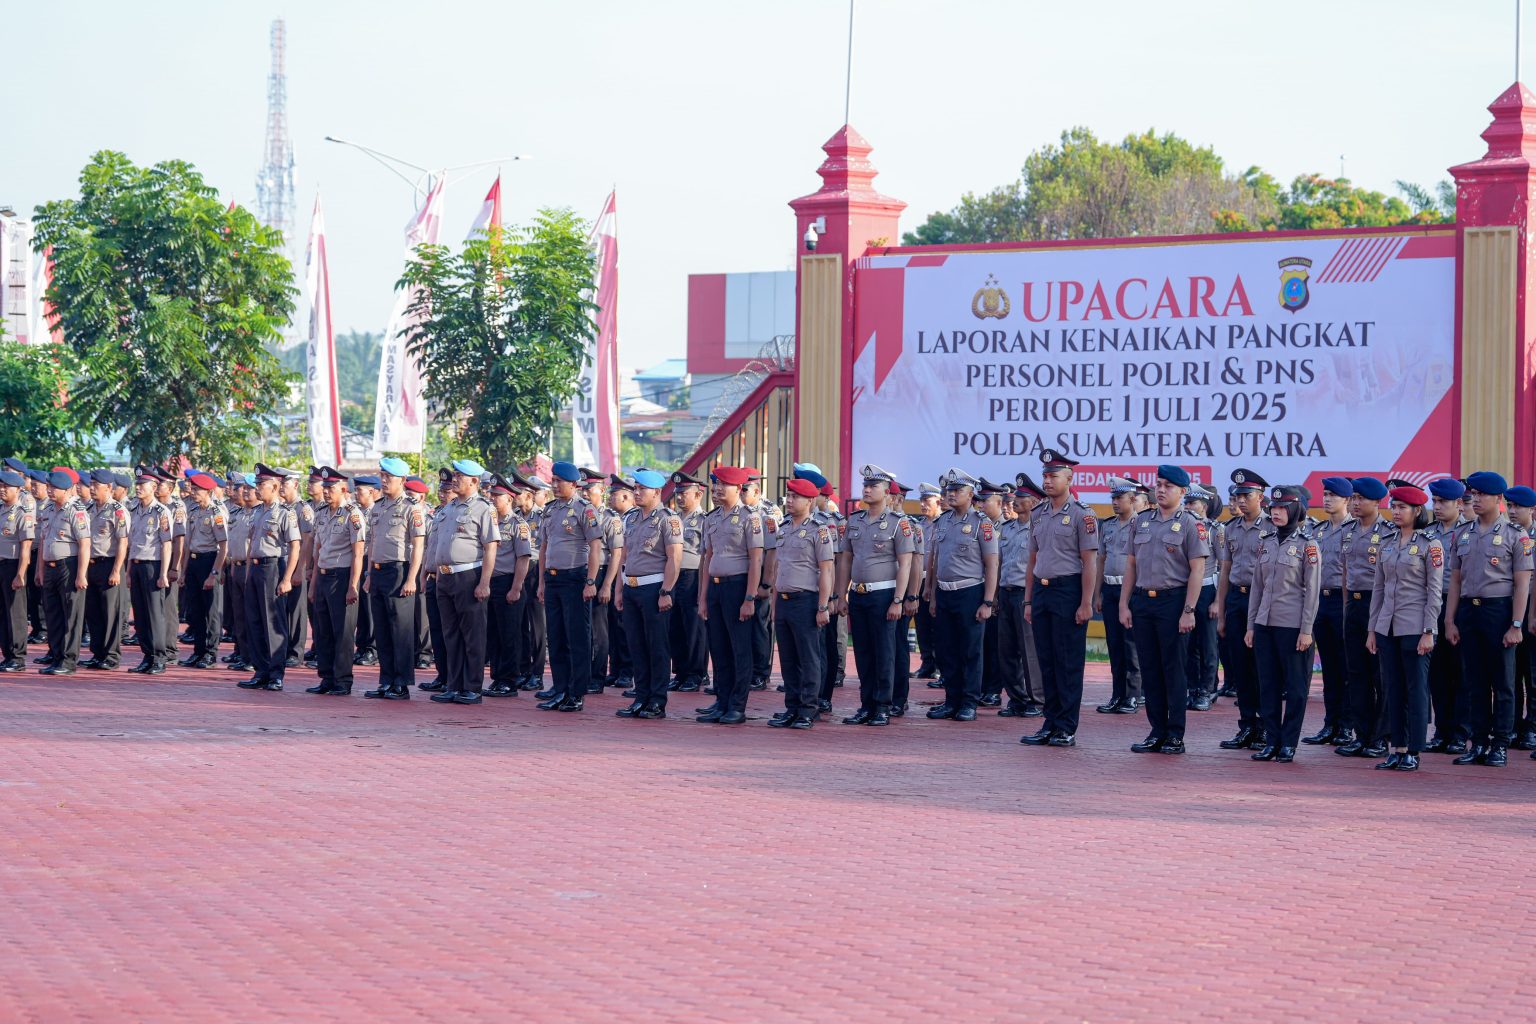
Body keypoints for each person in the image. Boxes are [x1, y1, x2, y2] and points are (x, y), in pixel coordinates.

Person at [1445, 470, 1533, 767]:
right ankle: (1478, 742)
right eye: (1473, 494)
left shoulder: (1515, 536)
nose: (1475, 499)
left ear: (1499, 499)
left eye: (1482, 494)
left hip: (1499, 612)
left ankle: (1500, 745)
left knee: (1504, 683)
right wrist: (1450, 620)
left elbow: (1522, 583)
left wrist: (1517, 624)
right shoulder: (1464, 533)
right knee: (1475, 681)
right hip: (1470, 611)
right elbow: (1455, 580)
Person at [1120, 465, 1210, 755]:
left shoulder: (1190, 524)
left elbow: (1198, 570)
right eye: (1158, 484)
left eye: (1168, 486)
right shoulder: (1142, 521)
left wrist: (1189, 610)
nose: (1160, 490)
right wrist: (1125, 603)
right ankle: (1156, 731)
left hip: (1174, 602)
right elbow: (1131, 565)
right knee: (1150, 669)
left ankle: (1175, 735)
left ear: (1183, 492)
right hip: (1144, 601)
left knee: (1174, 670)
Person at [1021, 450, 1097, 746]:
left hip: (1068, 591)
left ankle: (1066, 726)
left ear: (1069, 478)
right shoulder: (1038, 514)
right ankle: (1049, 722)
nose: (1047, 481)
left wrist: (1086, 602)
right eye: (1045, 475)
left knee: (1067, 662)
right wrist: (1028, 600)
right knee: (1046, 660)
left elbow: (1089, 561)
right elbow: (1032, 559)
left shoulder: (1082, 514)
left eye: (1053, 476)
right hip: (1041, 591)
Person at [1365, 484, 1443, 772]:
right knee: (1392, 688)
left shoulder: (1430, 545)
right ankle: (1396, 747)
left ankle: (1414, 749)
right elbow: (1379, 590)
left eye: (1402, 508)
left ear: (1417, 511)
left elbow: (1434, 592)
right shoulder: (1387, 542)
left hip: (1415, 626)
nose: (1396, 512)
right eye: (1394, 507)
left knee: (1416, 688)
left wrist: (1429, 631)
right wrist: (1373, 629)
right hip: (1387, 626)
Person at [1244, 485, 1322, 762]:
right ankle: (1271, 740)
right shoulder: (1266, 541)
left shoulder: (1307, 545)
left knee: (1297, 688)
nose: (1275, 513)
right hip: (1265, 623)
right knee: (1268, 685)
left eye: (1281, 509)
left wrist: (1306, 630)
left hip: (1292, 626)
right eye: (1273, 509)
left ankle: (1289, 743)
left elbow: (1311, 591)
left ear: (1293, 510)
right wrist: (1252, 625)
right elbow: (1257, 587)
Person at [835, 464, 915, 726]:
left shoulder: (898, 524)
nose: (867, 490)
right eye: (865, 486)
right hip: (858, 594)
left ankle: (883, 705)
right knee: (863, 652)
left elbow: (905, 564)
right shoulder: (854, 521)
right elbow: (846, 560)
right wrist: (840, 595)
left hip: (884, 595)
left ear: (888, 493)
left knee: (884, 652)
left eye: (874, 486)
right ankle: (866, 704)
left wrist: (898, 600)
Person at [925, 469, 999, 723]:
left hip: (970, 593)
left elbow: (992, 564)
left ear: (970, 494)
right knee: (946, 650)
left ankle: (969, 702)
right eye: (949, 490)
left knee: (970, 651)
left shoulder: (982, 523)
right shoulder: (942, 521)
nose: (951, 494)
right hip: (944, 593)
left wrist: (988, 601)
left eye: (957, 490)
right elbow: (935, 561)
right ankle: (951, 700)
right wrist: (932, 595)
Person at [426, 461, 499, 706]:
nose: (455, 479)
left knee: (473, 635)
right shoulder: (448, 509)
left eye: (460, 476)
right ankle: (453, 685)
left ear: (474, 481)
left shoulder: (482, 508)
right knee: (451, 635)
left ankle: (472, 687)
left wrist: (484, 582)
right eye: (455, 475)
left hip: (469, 576)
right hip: (444, 577)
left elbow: (490, 547)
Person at [696, 466, 764, 725]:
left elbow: (757, 560)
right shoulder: (711, 518)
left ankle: (737, 705)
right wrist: (702, 598)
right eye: (715, 485)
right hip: (715, 587)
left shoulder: (750, 518)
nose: (717, 490)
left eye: (723, 485)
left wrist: (750, 597)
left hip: (738, 587)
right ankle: (722, 700)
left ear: (738, 489)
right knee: (719, 647)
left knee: (739, 649)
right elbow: (707, 558)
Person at [766, 476, 835, 729]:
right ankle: (792, 707)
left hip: (806, 599)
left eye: (795, 497)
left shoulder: (820, 530)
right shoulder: (783, 528)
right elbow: (777, 570)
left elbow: (826, 570)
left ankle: (808, 709)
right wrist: (774, 604)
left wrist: (823, 606)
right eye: (789, 496)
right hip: (783, 600)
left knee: (808, 658)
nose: (790, 500)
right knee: (788, 658)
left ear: (810, 501)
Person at [614, 469, 682, 719]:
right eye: (635, 488)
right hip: (631, 586)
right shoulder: (631, 518)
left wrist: (666, 591)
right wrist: (619, 588)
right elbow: (625, 555)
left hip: (654, 588)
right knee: (636, 645)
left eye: (641, 488)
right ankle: (641, 696)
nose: (636, 492)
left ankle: (657, 700)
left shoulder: (668, 519)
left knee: (657, 646)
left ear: (656, 492)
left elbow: (674, 557)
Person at [1336, 477, 1396, 759]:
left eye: (1362, 499)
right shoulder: (1348, 530)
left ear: (1377, 502)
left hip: (1380, 605)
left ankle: (1380, 737)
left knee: (1380, 674)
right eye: (1354, 498)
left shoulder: (1389, 531)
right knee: (1356, 673)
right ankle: (1361, 735)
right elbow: (1346, 572)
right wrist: (1348, 606)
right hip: (1355, 606)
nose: (1356, 503)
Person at [537, 461, 603, 712]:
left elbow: (595, 546)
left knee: (576, 637)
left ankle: (576, 693)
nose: (554, 486)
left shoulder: (584, 509)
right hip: (553, 579)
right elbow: (544, 546)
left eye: (559, 482)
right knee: (556, 638)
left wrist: (590, 581)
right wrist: (542, 581)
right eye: (553, 481)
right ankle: (560, 688)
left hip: (575, 578)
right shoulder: (550, 509)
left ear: (573, 484)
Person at [1214, 468, 1269, 749]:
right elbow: (1226, 571)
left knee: (1263, 667)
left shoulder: (1271, 527)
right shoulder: (1230, 528)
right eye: (1238, 496)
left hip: (1262, 602)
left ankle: (1266, 727)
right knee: (1241, 667)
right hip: (1237, 599)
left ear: (1261, 497)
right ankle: (1247, 725)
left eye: (1247, 495)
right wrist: (1222, 613)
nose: (1241, 501)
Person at [1302, 477, 1357, 746]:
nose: (1326, 500)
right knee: (1329, 669)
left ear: (1347, 500)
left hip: (1344, 600)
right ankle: (1330, 723)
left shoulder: (1355, 529)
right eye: (1324, 494)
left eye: (1333, 495)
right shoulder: (1318, 531)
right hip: (1320, 601)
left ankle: (1346, 725)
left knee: (1347, 666)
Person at [238, 465, 301, 692]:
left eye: (261, 484)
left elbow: (295, 546)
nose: (256, 488)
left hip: (273, 567)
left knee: (273, 624)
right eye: (256, 484)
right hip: (255, 569)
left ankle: (276, 674)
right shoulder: (257, 511)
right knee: (254, 622)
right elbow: (251, 544)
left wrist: (286, 578)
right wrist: (247, 573)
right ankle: (261, 671)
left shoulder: (285, 513)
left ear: (274, 486)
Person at [305, 468, 367, 696]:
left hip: (342, 576)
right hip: (322, 574)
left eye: (331, 488)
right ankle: (326, 677)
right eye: (325, 488)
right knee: (322, 630)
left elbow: (358, 553)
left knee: (342, 632)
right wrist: (312, 583)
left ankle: (342, 681)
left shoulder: (353, 514)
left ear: (344, 489)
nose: (327, 492)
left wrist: (353, 585)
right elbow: (317, 549)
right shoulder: (321, 513)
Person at [1423, 477, 1467, 753]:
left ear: (1460, 504)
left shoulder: (1470, 531)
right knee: (1437, 672)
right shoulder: (1428, 533)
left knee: (1461, 671)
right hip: (1433, 605)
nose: (1437, 506)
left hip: (1461, 606)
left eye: (1443, 502)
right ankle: (1442, 730)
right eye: (1435, 501)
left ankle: (1461, 732)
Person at [1095, 477, 1142, 715]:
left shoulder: (1142, 524)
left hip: (1131, 590)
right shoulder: (1108, 525)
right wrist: (1098, 593)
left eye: (1119, 498)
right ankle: (1117, 694)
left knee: (1131, 644)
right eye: (1112, 498)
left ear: (1133, 499)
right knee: (1114, 644)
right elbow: (1100, 559)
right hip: (1110, 588)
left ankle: (1133, 695)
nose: (1114, 502)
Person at [484, 474, 532, 698]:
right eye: (492, 495)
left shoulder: (518, 525)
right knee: (493, 633)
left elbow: (523, 558)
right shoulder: (490, 523)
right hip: (490, 583)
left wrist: (516, 587)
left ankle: (510, 679)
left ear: (509, 499)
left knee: (510, 634)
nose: (493, 499)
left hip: (508, 582)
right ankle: (497, 677)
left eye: (497, 496)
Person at [124, 471, 172, 675]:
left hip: (152, 566)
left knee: (154, 614)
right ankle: (147, 656)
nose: (138, 487)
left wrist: (164, 573)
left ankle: (159, 657)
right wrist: (128, 571)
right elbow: (131, 543)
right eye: (138, 483)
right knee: (141, 615)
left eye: (143, 484)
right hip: (135, 565)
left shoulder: (161, 512)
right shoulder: (134, 510)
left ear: (154, 487)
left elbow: (166, 544)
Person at [177, 472, 228, 669]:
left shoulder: (216, 513)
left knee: (212, 611)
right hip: (194, 562)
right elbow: (188, 544)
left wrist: (214, 573)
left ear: (208, 491)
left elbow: (223, 546)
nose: (193, 492)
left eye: (197, 489)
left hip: (210, 561)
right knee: (196, 611)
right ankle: (198, 651)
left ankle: (210, 653)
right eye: (193, 488)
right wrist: (183, 571)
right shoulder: (194, 511)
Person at [81, 468, 129, 671]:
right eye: (90, 485)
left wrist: (117, 570)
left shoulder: (117, 510)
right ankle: (97, 653)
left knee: (110, 613)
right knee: (93, 612)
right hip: (90, 565)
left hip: (108, 564)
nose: (91, 489)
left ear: (109, 488)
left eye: (96, 486)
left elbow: (123, 542)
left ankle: (111, 655)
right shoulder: (88, 508)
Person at [667, 471, 709, 694]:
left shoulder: (704, 520)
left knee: (694, 626)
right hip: (673, 575)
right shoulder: (673, 519)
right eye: (677, 493)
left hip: (693, 575)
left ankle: (696, 673)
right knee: (676, 626)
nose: (679, 498)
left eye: (684, 493)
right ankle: (681, 672)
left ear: (698, 494)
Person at [1181, 485, 1221, 709]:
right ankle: (1193, 687)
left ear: (1204, 507)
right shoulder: (1182, 527)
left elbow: (1224, 566)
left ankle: (1207, 689)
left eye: (1192, 503)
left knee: (1207, 644)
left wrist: (1217, 601)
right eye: (1185, 503)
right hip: (1186, 591)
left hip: (1207, 590)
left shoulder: (1215, 530)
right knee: (1188, 644)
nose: (1187, 507)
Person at [0, 469, 36, 672]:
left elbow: (25, 547)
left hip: (13, 566)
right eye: (1, 486)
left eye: (6, 487)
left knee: (16, 613)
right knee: (3, 612)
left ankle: (18, 657)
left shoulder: (23, 513)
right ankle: (7, 654)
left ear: (18, 489)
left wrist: (21, 574)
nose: (2, 490)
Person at [605, 474, 636, 690]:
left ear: (626, 496)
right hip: (616, 576)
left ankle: (627, 671)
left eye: (613, 495)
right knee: (613, 626)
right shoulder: (620, 518)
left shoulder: (632, 517)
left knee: (625, 627)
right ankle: (615, 669)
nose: (609, 498)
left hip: (630, 575)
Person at [350, 475, 382, 668]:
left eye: (359, 491)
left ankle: (372, 649)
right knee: (360, 607)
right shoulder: (356, 512)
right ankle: (361, 646)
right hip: (358, 560)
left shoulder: (376, 511)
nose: (356, 494)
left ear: (372, 492)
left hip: (370, 560)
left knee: (370, 607)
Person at [913, 482, 943, 680]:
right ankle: (927, 663)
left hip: (939, 581)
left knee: (938, 625)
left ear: (938, 501)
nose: (923, 504)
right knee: (922, 623)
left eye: (927, 500)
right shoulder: (919, 525)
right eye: (921, 500)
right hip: (920, 579)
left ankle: (940, 665)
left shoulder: (944, 522)